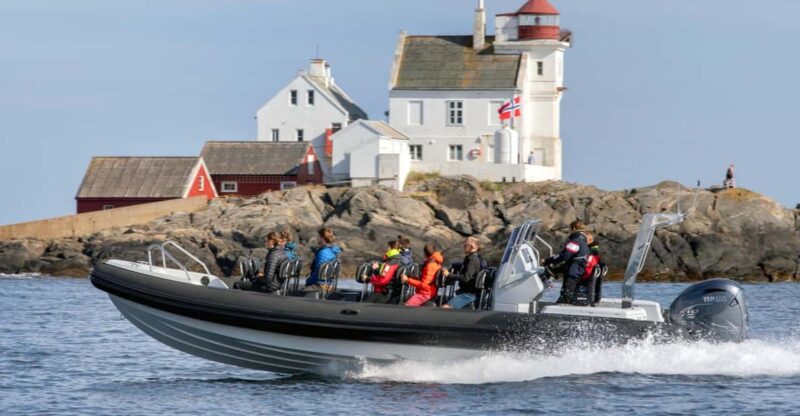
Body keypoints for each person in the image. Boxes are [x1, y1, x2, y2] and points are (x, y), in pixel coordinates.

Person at [544, 220, 591, 304]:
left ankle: (560, 311)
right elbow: (572, 260)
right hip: (577, 272)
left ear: (573, 228)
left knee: (566, 297)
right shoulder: (583, 242)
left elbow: (565, 255)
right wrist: (556, 270)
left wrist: (549, 260)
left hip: (572, 274)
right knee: (568, 295)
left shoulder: (576, 241)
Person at [442, 236, 485, 309]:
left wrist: (449, 275)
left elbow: (465, 278)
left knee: (445, 308)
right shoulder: (471, 258)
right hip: (466, 292)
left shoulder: (473, 260)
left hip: (469, 295)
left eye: (465, 245)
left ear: (472, 247)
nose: (464, 247)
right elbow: (464, 266)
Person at [402, 243, 443, 307]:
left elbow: (423, 284)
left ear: (425, 253)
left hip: (425, 293)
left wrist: (407, 280)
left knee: (407, 306)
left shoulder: (430, 266)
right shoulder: (437, 262)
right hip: (431, 291)